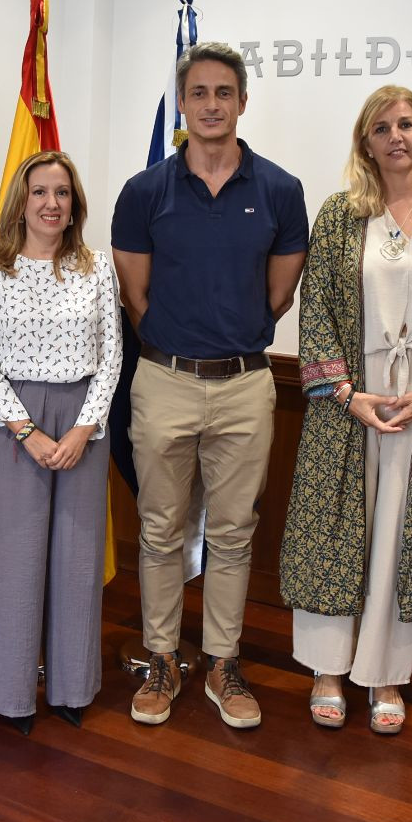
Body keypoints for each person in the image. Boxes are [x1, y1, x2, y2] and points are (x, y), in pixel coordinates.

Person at [280, 85, 412, 733]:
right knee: (337, 534)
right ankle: (326, 669)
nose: (395, 136)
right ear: (365, 143)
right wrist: (348, 394)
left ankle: (386, 677)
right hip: (350, 402)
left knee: (402, 539)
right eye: (381, 127)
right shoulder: (340, 215)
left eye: (406, 124)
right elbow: (315, 310)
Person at [112, 42, 308, 729]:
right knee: (161, 530)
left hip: (245, 386)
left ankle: (223, 662)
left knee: (232, 534)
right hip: (163, 379)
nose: (212, 105)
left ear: (243, 102)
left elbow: (278, 296)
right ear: (184, 105)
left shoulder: (280, 190)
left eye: (224, 92)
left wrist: (229, 332)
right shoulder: (145, 193)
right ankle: (163, 658)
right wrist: (173, 340)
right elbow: (134, 292)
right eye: (199, 93)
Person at [0, 150, 122, 735]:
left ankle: (71, 689)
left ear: (74, 203)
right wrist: (27, 431)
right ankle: (7, 695)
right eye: (40, 193)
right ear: (21, 202)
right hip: (10, 427)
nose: (52, 204)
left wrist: (83, 427)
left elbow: (112, 356)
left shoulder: (96, 266)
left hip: (83, 420)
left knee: (77, 562)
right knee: (10, 561)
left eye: (62, 193)